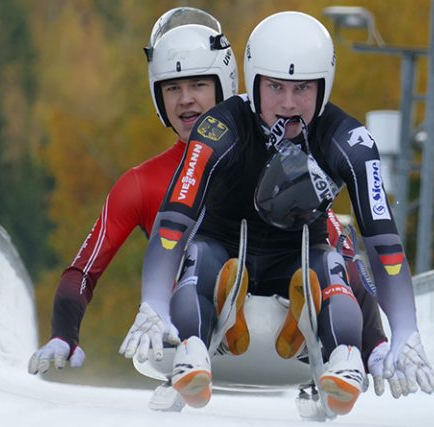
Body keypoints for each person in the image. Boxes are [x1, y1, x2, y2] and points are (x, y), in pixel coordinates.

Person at [26, 6, 396, 403]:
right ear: (158, 98)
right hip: (186, 321)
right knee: (201, 258)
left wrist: (374, 340)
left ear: (227, 86)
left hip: (277, 327)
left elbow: (338, 250)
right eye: (172, 88)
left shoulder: (275, 159)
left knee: (327, 247)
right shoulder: (138, 184)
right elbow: (85, 266)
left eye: (199, 85)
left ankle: (295, 320)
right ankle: (220, 309)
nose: (186, 100)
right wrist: (64, 333)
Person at [124, 11, 434, 416]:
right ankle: (193, 344)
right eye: (275, 86)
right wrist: (153, 301)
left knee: (334, 259)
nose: (289, 104)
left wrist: (404, 331)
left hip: (300, 257)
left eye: (302, 88)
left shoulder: (350, 140)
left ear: (323, 88)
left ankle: (342, 354)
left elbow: (384, 242)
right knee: (200, 255)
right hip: (223, 249)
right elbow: (174, 220)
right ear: (254, 81)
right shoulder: (219, 128)